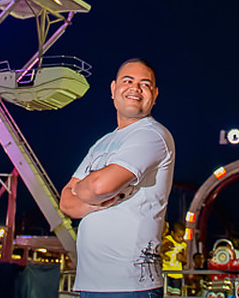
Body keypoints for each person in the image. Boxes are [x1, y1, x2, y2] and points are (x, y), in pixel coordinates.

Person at [59, 58, 175, 298]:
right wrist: (92, 192)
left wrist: (85, 189)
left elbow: (101, 186)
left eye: (145, 84)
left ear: (154, 94)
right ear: (113, 89)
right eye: (128, 81)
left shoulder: (152, 135)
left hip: (130, 285)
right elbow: (65, 203)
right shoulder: (101, 143)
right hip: (91, 284)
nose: (135, 88)